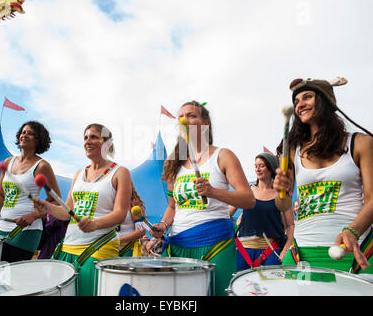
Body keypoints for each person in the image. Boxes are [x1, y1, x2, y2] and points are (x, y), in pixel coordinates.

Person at [273, 78, 373, 278]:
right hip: (301, 251)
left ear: (326, 101)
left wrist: (352, 231)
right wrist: (279, 190)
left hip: (355, 247)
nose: (300, 104)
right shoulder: (291, 150)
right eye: (296, 101)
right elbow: (283, 204)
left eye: (307, 97)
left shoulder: (361, 143)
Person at [150, 101, 255, 296]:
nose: (185, 120)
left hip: (216, 244)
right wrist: (163, 226)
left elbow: (248, 200)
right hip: (178, 245)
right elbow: (173, 208)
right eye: (181, 116)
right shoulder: (173, 164)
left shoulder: (223, 156)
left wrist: (213, 192)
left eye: (191, 115)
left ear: (205, 123)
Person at [33, 123, 132, 296]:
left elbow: (120, 214)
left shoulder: (120, 172)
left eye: (94, 137)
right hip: (68, 245)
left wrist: (95, 224)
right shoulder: (79, 173)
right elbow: (67, 212)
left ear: (107, 143)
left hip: (99, 245)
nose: (88, 141)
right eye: (85, 137)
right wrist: (49, 207)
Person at [0, 121, 61, 263]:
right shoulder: (7, 163)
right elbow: (1, 198)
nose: (25, 135)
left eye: (30, 133)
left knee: (11, 275)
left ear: (39, 140)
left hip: (27, 231)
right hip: (2, 227)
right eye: (23, 132)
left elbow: (57, 200)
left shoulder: (42, 166)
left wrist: (34, 215)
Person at [229, 152, 294, 272]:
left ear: (271, 168)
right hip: (243, 252)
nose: (257, 169)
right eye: (256, 166)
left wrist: (285, 250)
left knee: (271, 288)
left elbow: (290, 225)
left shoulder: (281, 195)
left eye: (262, 166)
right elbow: (227, 214)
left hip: (271, 251)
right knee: (241, 288)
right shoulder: (246, 191)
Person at [117, 185, 147, 257]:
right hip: (108, 249)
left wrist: (119, 241)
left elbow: (141, 230)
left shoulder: (134, 202)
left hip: (127, 250)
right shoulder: (107, 199)